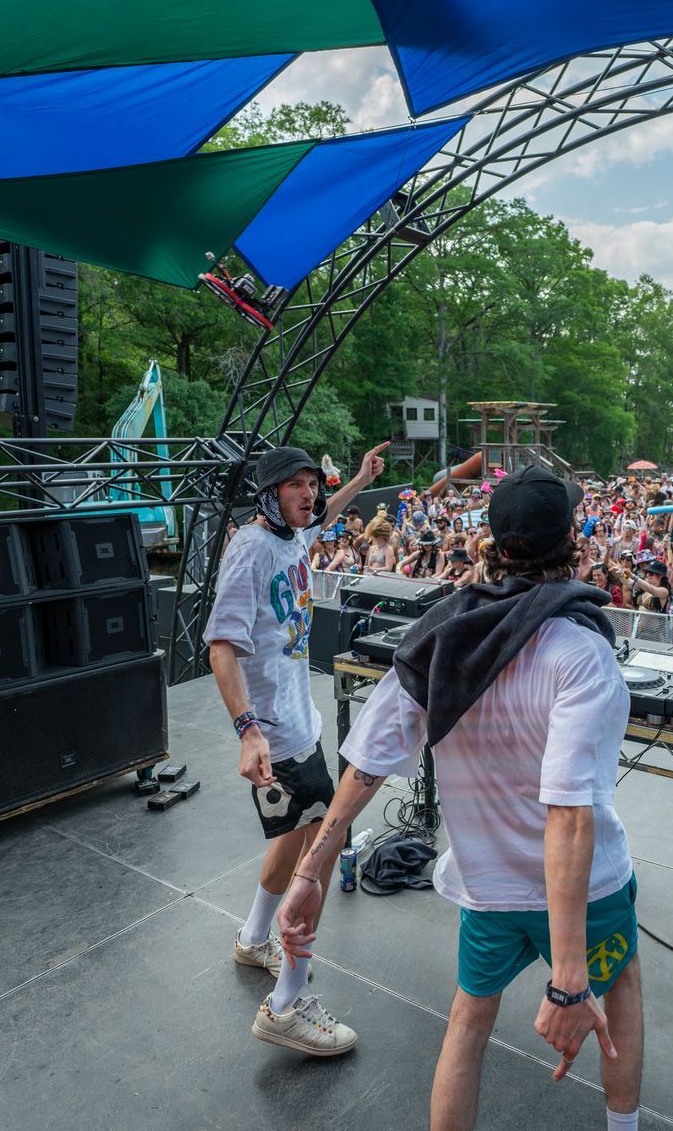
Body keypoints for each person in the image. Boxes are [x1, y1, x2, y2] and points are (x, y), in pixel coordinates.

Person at [276, 465, 644, 1130]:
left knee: (469, 1021)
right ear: (576, 545)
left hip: (488, 890)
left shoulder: (441, 639)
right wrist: (567, 978)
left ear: (495, 545)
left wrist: (311, 870)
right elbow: (567, 812)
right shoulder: (582, 653)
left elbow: (365, 764)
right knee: (620, 991)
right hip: (588, 895)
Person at [206, 441, 387, 1056]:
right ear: (268, 495)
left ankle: (256, 937)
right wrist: (247, 729)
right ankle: (286, 1002)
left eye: (313, 483)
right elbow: (221, 646)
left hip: (298, 720)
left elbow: (326, 517)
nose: (309, 495)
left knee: (295, 838)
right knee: (323, 851)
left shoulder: (294, 535)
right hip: (275, 731)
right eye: (296, 486)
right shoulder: (251, 550)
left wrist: (360, 477)